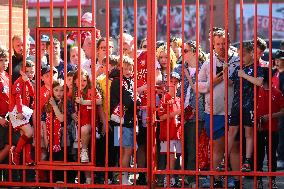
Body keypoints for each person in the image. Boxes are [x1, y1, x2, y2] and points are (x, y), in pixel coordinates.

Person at [198, 28, 240, 187]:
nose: (221, 46)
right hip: (214, 111)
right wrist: (212, 83)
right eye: (218, 44)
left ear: (229, 43)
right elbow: (198, 85)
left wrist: (235, 81)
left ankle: (236, 180)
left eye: (224, 43)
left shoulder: (237, 60)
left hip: (234, 112)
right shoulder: (208, 63)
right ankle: (214, 179)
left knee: (235, 148)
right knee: (217, 148)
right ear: (213, 45)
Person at [174, 40, 206, 187]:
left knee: (192, 147)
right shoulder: (179, 68)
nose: (182, 53)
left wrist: (192, 109)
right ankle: (184, 175)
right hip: (179, 113)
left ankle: (192, 177)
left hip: (196, 113)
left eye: (185, 50)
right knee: (181, 148)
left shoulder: (204, 68)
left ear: (195, 52)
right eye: (182, 50)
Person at [228, 41, 263, 172]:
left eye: (243, 55)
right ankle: (225, 158)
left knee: (248, 133)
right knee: (232, 132)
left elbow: (259, 82)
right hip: (236, 105)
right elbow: (231, 82)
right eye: (239, 54)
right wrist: (227, 71)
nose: (240, 57)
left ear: (251, 54)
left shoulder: (256, 67)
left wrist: (244, 75)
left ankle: (247, 160)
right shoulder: (238, 68)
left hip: (250, 106)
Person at [109, 56, 141, 185]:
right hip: (121, 121)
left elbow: (132, 99)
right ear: (120, 69)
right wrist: (137, 99)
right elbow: (129, 100)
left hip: (126, 120)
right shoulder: (118, 82)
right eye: (125, 68)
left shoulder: (128, 81)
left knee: (126, 150)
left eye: (130, 68)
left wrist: (135, 99)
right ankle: (123, 178)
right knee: (126, 150)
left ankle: (123, 176)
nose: (128, 71)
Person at [256, 67, 284, 189]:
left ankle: (271, 180)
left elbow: (283, 111)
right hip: (259, 128)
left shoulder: (277, 93)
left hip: (273, 129)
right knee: (259, 155)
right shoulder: (257, 91)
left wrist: (270, 116)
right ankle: (259, 179)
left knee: (272, 155)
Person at [158, 72, 181, 188]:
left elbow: (179, 117)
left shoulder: (178, 99)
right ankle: (168, 179)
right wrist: (176, 113)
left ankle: (171, 178)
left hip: (176, 133)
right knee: (171, 157)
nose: (174, 85)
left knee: (174, 157)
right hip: (167, 133)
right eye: (172, 82)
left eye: (176, 82)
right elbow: (161, 117)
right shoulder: (164, 99)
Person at [9, 60, 35, 166]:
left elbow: (33, 94)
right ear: (21, 71)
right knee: (30, 132)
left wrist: (28, 81)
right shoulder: (18, 82)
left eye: (31, 72)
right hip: (17, 111)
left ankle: (28, 159)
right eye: (27, 71)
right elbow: (18, 98)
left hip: (24, 111)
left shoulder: (28, 82)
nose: (29, 74)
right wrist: (19, 112)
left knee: (25, 136)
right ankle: (16, 152)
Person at [0, 47, 10, 167]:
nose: (4, 63)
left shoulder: (7, 75)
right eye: (1, 60)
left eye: (6, 60)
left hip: (7, 120)